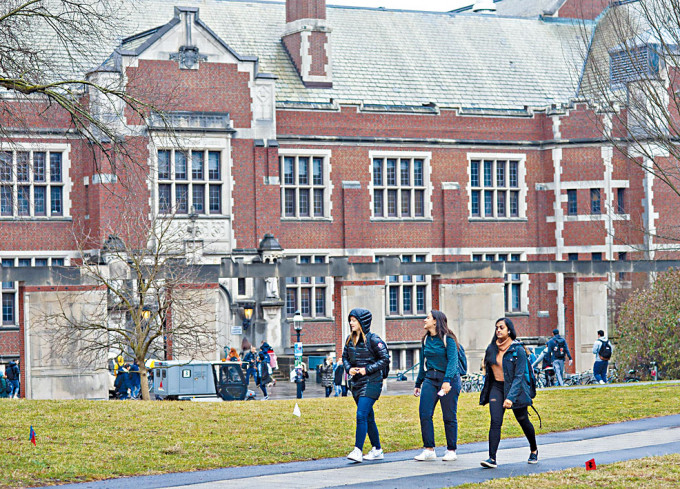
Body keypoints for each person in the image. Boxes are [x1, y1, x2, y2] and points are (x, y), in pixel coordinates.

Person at [479, 317, 538, 468]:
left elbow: (519, 377)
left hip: (515, 388)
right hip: (497, 388)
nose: (498, 330)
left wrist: (510, 397)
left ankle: (534, 449)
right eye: (496, 328)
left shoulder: (518, 350)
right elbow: (488, 373)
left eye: (501, 328)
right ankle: (492, 458)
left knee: (523, 420)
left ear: (509, 330)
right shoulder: (491, 348)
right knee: (495, 421)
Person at [342, 308, 390, 463]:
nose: (351, 323)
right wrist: (349, 368)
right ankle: (377, 449)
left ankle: (357, 450)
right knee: (368, 417)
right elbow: (344, 357)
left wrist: (366, 369)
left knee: (361, 414)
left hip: (372, 382)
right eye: (350, 320)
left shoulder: (374, 340)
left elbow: (385, 359)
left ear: (362, 322)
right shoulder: (350, 340)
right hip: (356, 383)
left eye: (354, 320)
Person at [413, 310, 461, 462]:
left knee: (449, 416)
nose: (424, 320)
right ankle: (429, 449)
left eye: (427, 317)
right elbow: (423, 364)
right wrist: (418, 383)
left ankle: (451, 450)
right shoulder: (426, 340)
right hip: (430, 379)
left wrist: (447, 381)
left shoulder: (449, 339)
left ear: (435, 321)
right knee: (425, 413)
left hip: (448, 380)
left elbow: (453, 362)